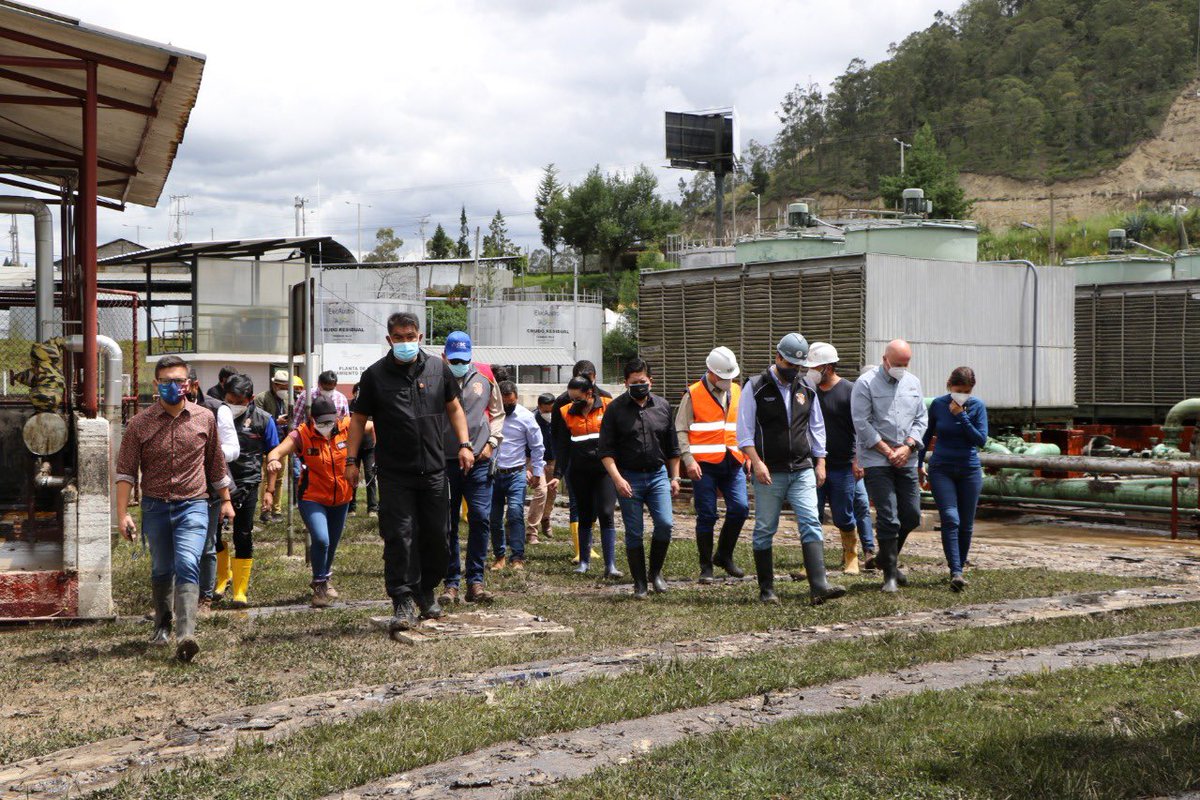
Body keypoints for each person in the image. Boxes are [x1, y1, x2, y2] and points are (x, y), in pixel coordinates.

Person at [346, 312, 474, 633]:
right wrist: (350, 461)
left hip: (433, 470)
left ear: (420, 336)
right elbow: (359, 420)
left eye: (410, 336)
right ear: (389, 340)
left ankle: (425, 589)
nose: (405, 342)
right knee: (400, 538)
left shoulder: (437, 368)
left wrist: (465, 444)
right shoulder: (375, 376)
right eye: (399, 337)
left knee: (438, 537)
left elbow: (454, 407)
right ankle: (402, 600)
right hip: (395, 473)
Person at [115, 355, 234, 662]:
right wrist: (122, 513)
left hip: (193, 506)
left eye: (179, 381)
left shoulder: (204, 418)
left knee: (187, 562)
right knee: (161, 568)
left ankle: (186, 634)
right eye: (166, 382)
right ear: (156, 384)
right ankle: (162, 624)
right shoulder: (139, 424)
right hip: (155, 508)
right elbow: (126, 472)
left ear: (189, 384)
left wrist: (227, 501)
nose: (173, 387)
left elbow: (216, 465)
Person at [737, 333, 846, 606]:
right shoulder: (755, 387)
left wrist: (820, 462)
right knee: (765, 527)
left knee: (811, 522)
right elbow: (744, 432)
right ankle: (767, 589)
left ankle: (818, 586)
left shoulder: (805, 388)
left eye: (798, 367)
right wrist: (757, 462)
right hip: (769, 471)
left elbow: (816, 427)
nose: (793, 371)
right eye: (789, 365)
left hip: (802, 468)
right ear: (778, 357)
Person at [851, 338, 928, 594]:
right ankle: (889, 576)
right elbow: (862, 423)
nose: (901, 368)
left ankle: (885, 557)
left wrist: (907, 446)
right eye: (896, 364)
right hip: (876, 459)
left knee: (911, 515)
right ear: (885, 360)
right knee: (888, 516)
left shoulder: (913, 383)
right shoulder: (865, 384)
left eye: (905, 364)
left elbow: (921, 419)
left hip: (906, 456)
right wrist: (887, 450)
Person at [263, 396, 356, 608]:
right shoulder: (302, 434)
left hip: (342, 497)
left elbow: (369, 426)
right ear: (312, 419)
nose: (326, 426)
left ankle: (325, 577)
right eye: (321, 422)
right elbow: (275, 452)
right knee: (321, 539)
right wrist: (274, 462)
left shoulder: (346, 427)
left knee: (331, 543)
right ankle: (319, 584)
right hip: (312, 497)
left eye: (329, 421)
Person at [599, 359, 680, 598]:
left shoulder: (663, 406)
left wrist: (674, 478)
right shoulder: (614, 410)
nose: (639, 386)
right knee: (634, 531)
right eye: (634, 383)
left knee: (665, 524)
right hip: (629, 478)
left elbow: (673, 448)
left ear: (651, 381)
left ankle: (655, 573)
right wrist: (617, 479)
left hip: (657, 477)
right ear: (625, 383)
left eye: (643, 382)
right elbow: (605, 451)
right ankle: (640, 582)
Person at [675, 346, 749, 584]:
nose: (729, 381)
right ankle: (706, 566)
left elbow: (743, 426)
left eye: (732, 376)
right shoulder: (693, 393)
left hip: (733, 460)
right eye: (725, 377)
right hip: (703, 465)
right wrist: (688, 460)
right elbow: (681, 430)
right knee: (706, 515)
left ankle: (724, 556)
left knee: (740, 508)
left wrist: (747, 456)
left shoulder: (737, 391)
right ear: (711, 372)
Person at [439, 331, 504, 603]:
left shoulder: (486, 377)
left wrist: (491, 443)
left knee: (480, 518)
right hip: (446, 462)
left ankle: (475, 581)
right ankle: (451, 583)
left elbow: (498, 413)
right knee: (448, 524)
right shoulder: (434, 378)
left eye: (463, 359)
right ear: (444, 356)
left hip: (479, 461)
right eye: (453, 359)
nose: (459, 363)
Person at [804, 342, 876, 575]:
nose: (811, 371)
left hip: (843, 465)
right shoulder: (807, 390)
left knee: (843, 514)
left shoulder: (850, 390)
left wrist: (858, 459)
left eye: (816, 366)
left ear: (828, 367)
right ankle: (814, 563)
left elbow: (860, 426)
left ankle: (851, 556)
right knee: (811, 514)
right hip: (812, 464)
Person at [920, 367, 988, 592]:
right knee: (950, 518)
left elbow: (980, 440)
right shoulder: (938, 405)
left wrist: (962, 416)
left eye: (966, 391)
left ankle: (959, 567)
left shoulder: (977, 406)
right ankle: (955, 571)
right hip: (942, 468)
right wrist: (919, 463)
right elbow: (927, 434)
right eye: (959, 390)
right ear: (949, 385)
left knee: (966, 524)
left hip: (969, 469)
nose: (962, 394)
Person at [218, 373, 279, 607]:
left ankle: (240, 590)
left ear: (250, 398)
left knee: (242, 534)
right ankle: (223, 578)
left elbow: (273, 454)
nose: (232, 404)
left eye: (238, 400)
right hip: (218, 482)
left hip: (248, 483)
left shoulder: (264, 420)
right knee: (213, 534)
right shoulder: (217, 415)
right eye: (229, 398)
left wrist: (269, 491)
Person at [552, 376, 621, 579]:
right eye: (571, 398)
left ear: (590, 393)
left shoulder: (608, 406)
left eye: (577, 398)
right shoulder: (566, 412)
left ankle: (610, 565)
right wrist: (558, 474)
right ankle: (584, 561)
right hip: (579, 472)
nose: (573, 402)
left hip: (604, 472)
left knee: (606, 513)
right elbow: (563, 447)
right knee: (584, 516)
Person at [193, 369, 240, 614]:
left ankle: (205, 597)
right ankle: (173, 599)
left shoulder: (216, 409)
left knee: (207, 545)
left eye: (179, 382)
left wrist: (209, 452)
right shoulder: (160, 412)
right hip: (175, 490)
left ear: (193, 384)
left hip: (209, 488)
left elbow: (233, 449)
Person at [489, 381, 544, 570]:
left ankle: (518, 557)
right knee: (493, 517)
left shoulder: (526, 417)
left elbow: (537, 447)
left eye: (511, 403)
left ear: (516, 398)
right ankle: (499, 556)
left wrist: (537, 472)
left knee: (515, 513)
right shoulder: (489, 415)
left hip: (516, 473)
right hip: (492, 473)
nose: (507, 407)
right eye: (504, 404)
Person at [253, 369, 293, 522]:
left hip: (283, 442)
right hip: (266, 444)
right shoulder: (261, 398)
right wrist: (276, 421)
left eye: (286, 386)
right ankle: (265, 510)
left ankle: (277, 510)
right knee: (267, 477)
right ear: (274, 384)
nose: (283, 389)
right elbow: (258, 420)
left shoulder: (288, 398)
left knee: (280, 478)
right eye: (281, 386)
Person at [525, 392, 557, 543]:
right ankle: (532, 531)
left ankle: (545, 518)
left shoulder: (559, 418)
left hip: (553, 460)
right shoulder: (531, 419)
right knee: (541, 491)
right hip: (535, 460)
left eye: (551, 410)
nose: (549, 414)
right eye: (546, 411)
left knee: (551, 493)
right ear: (539, 407)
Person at [347, 382, 378, 518]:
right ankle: (351, 508)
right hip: (354, 446)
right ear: (354, 393)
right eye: (357, 392)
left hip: (369, 447)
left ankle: (372, 508)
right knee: (352, 476)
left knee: (370, 476)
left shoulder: (372, 404)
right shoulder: (350, 405)